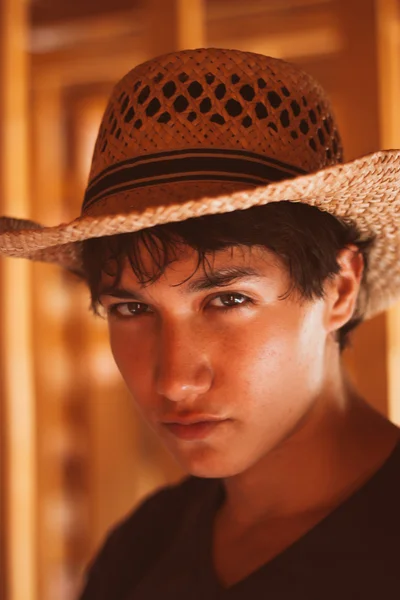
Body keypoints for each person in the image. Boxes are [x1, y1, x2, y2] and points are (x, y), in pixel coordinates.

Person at [1, 48, 400, 599]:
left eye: (228, 299)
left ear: (340, 288)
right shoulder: (142, 548)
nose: (173, 381)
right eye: (132, 310)